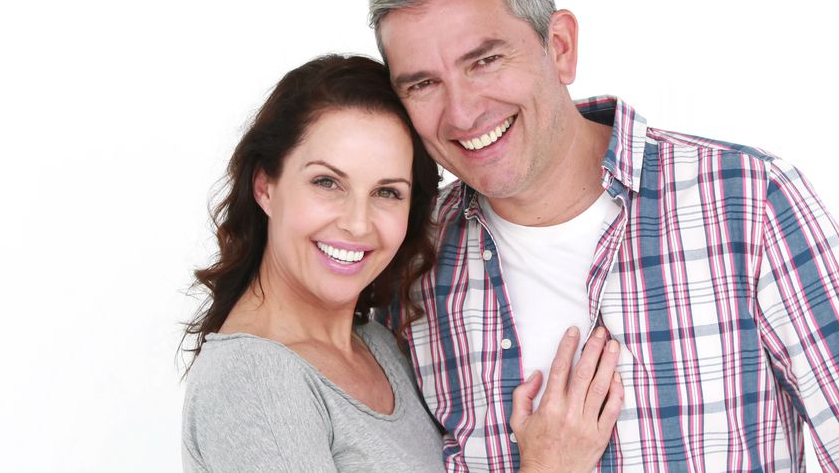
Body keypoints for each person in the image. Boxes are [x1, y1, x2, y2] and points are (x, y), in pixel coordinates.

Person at [369, 0, 839, 472]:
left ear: (560, 47)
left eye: (485, 61)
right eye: (423, 84)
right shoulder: (406, 255)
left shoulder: (747, 201)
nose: (462, 113)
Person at [181, 54, 623, 472]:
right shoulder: (252, 377)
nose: (357, 223)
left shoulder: (378, 346)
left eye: (387, 192)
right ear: (265, 187)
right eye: (327, 182)